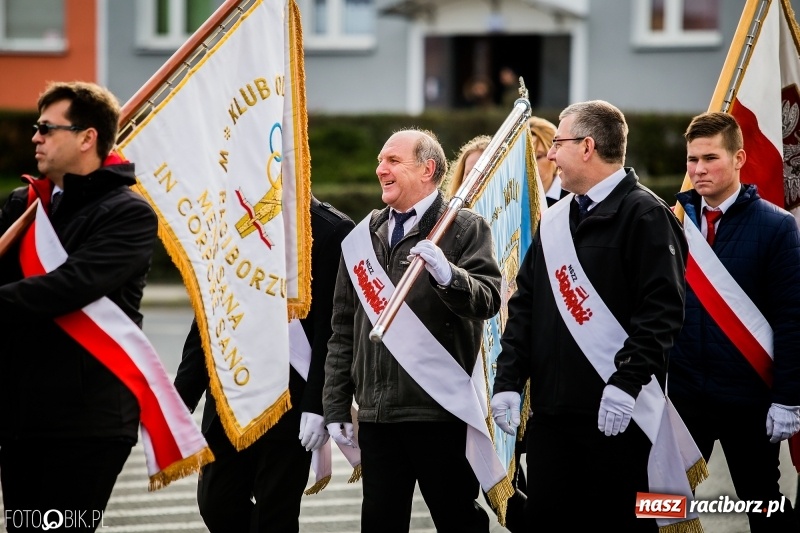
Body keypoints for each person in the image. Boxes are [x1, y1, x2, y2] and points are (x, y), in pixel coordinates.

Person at [491, 100, 688, 530]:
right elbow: (526, 306)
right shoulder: (557, 218)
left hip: (617, 415)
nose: (550, 154)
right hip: (552, 417)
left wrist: (626, 381)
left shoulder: (646, 215)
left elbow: (661, 312)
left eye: (557, 143)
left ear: (586, 146)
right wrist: (508, 381)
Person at [323, 128, 502, 533]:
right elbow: (342, 330)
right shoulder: (361, 238)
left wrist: (448, 276)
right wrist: (336, 403)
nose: (380, 169)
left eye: (392, 161)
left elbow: (488, 301)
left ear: (428, 169)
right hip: (378, 417)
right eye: (380, 161)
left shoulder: (464, 228)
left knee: (458, 520)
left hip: (439, 411)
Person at [0, 81, 158, 530]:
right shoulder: (24, 205)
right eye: (37, 127)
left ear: (88, 137)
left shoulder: (127, 213)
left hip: (87, 421)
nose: (35, 137)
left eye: (47, 128)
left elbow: (69, 287)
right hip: (22, 415)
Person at [174, 196, 355, 533]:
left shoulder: (330, 230)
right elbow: (209, 317)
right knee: (216, 504)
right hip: (231, 395)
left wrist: (319, 404)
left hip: (290, 400)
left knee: (277, 512)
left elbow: (331, 330)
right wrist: (180, 398)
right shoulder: (230, 220)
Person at [670, 111, 800, 531]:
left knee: (763, 502)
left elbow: (792, 318)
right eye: (692, 159)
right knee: (661, 501)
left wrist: (787, 397)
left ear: (740, 157)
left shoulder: (777, 226)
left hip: (749, 397)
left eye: (711, 158)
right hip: (685, 393)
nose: (699, 169)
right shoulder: (673, 224)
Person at [528, 116, 568, 206]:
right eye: (526, 159)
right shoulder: (514, 200)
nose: (531, 166)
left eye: (538, 157)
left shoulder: (573, 197)